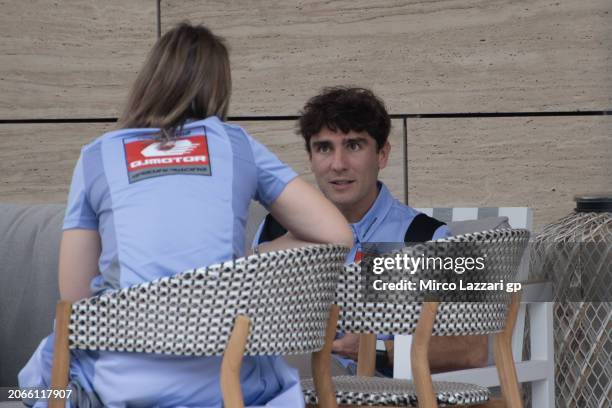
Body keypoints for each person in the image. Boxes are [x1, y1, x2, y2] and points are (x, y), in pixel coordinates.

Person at [18, 23, 353, 407]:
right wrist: (241, 268)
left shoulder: (97, 155)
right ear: (218, 88)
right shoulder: (237, 145)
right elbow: (337, 236)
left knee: (31, 386)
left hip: (118, 388)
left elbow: (74, 297)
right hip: (223, 385)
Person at [253, 86, 488, 376]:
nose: (338, 165)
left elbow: (472, 348)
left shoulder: (427, 239)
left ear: (382, 154)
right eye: (324, 147)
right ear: (311, 158)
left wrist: (375, 349)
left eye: (354, 145)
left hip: (379, 395)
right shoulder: (275, 228)